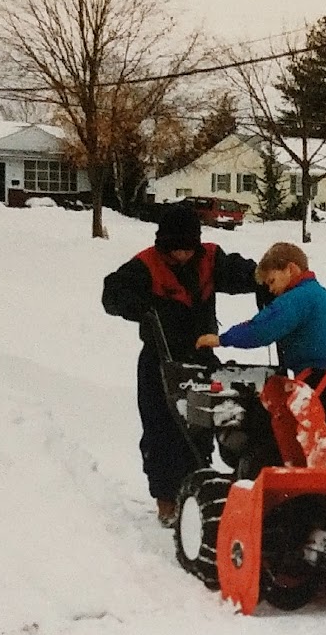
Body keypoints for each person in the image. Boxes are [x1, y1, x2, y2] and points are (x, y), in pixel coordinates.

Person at [102, 204, 261, 526]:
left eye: (188, 249)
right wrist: (138, 304)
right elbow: (111, 294)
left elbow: (245, 274)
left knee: (200, 427)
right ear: (163, 243)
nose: (183, 256)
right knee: (161, 432)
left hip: (201, 358)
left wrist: (265, 279)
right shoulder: (145, 265)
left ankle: (197, 491)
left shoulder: (211, 259)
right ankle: (166, 499)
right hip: (159, 361)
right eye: (176, 250)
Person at [196, 242, 326, 466]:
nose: (270, 289)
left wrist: (221, 339)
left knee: (297, 448)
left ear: (290, 269)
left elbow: (263, 329)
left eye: (272, 281)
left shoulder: (295, 299)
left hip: (314, 382)